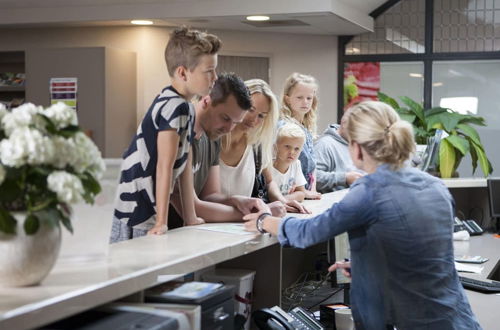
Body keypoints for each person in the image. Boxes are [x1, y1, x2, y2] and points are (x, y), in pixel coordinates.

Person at [244, 101, 481, 329]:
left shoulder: (369, 191)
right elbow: (419, 253)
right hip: (457, 317)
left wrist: (265, 220)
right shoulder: (435, 186)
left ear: (357, 149)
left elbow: (307, 233)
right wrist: (367, 264)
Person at [110, 27, 220, 242]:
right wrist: (162, 220)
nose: (215, 77)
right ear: (182, 72)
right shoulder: (174, 107)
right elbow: (164, 166)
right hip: (136, 207)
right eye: (209, 71)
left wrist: (191, 217)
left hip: (146, 205)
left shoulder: (186, 106)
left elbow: (184, 161)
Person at [168, 73, 271, 228]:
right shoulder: (178, 131)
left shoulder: (212, 138)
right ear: (207, 101)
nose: (229, 129)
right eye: (225, 118)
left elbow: (210, 195)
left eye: (235, 122)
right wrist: (259, 216)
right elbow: (188, 206)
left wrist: (237, 199)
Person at [219, 79, 308, 214]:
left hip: (241, 224)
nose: (254, 120)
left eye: (261, 115)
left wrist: (281, 200)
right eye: (250, 109)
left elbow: (269, 182)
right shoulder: (213, 141)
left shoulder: (257, 145)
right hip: (207, 224)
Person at [278, 72, 321, 199]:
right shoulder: (283, 127)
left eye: (309, 98)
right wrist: (302, 191)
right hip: (290, 195)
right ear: (287, 99)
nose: (305, 102)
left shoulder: (306, 127)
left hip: (307, 194)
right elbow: (281, 165)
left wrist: (312, 189)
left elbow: (313, 166)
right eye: (299, 97)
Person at [314, 111, 364, 193]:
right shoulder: (325, 145)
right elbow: (312, 178)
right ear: (344, 124)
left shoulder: (358, 144)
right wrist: (345, 178)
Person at [271, 122, 314, 203]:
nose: (292, 152)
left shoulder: (296, 164)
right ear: (275, 146)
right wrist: (289, 199)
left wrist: (283, 200)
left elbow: (301, 193)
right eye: (287, 146)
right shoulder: (267, 167)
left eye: (297, 149)